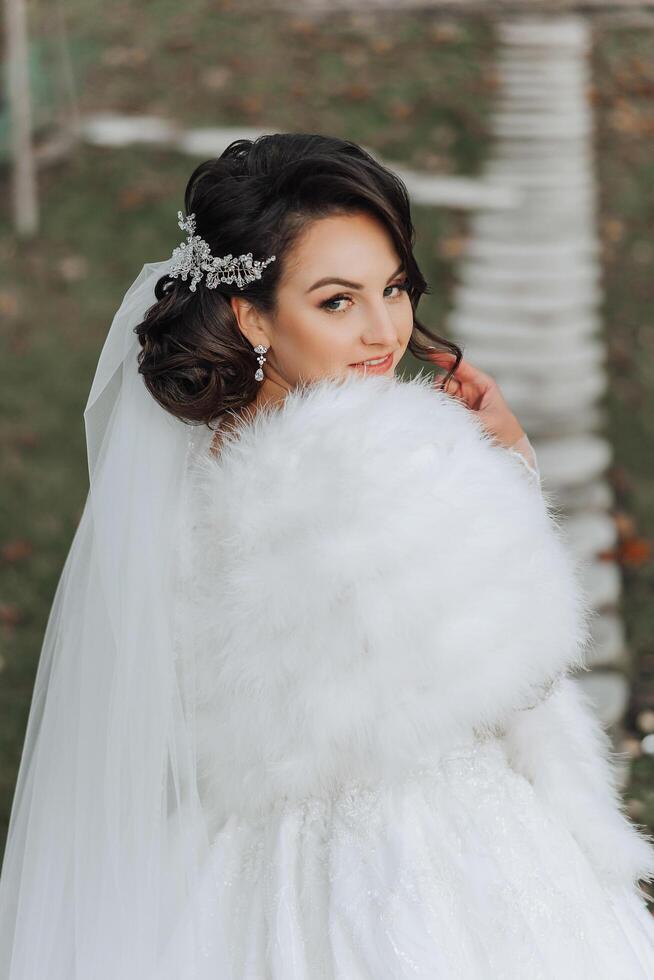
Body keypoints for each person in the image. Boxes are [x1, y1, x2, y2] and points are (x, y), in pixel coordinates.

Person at [1, 133, 653, 979]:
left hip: (243, 865)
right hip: (425, 864)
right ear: (251, 313)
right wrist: (510, 470)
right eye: (337, 301)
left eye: (392, 288)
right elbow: (521, 673)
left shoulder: (195, 465)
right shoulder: (384, 461)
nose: (385, 330)